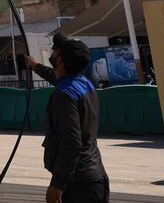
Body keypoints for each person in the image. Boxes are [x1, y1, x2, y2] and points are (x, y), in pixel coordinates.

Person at [25, 34, 109, 203]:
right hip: (95, 176)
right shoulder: (84, 83)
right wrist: (35, 66)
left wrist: (58, 184)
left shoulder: (63, 95)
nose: (53, 54)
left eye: (56, 51)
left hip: (78, 184)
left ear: (60, 60)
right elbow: (54, 75)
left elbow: (71, 142)